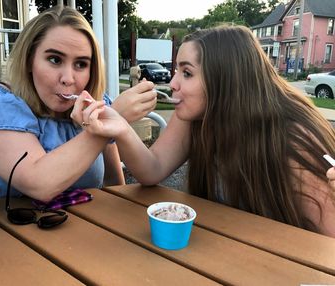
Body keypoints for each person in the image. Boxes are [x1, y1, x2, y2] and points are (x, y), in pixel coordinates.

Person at [73, 25, 335, 237]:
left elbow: (327, 240)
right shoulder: (196, 115)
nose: (173, 83)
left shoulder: (293, 137)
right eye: (177, 70)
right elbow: (152, 169)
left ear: (225, 80)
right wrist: (120, 127)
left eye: (187, 73)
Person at [0, 5, 156, 202]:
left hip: (79, 230)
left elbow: (114, 184)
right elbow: (39, 184)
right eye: (54, 59)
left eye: (81, 64)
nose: (68, 78)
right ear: (28, 61)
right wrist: (109, 121)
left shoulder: (93, 104)